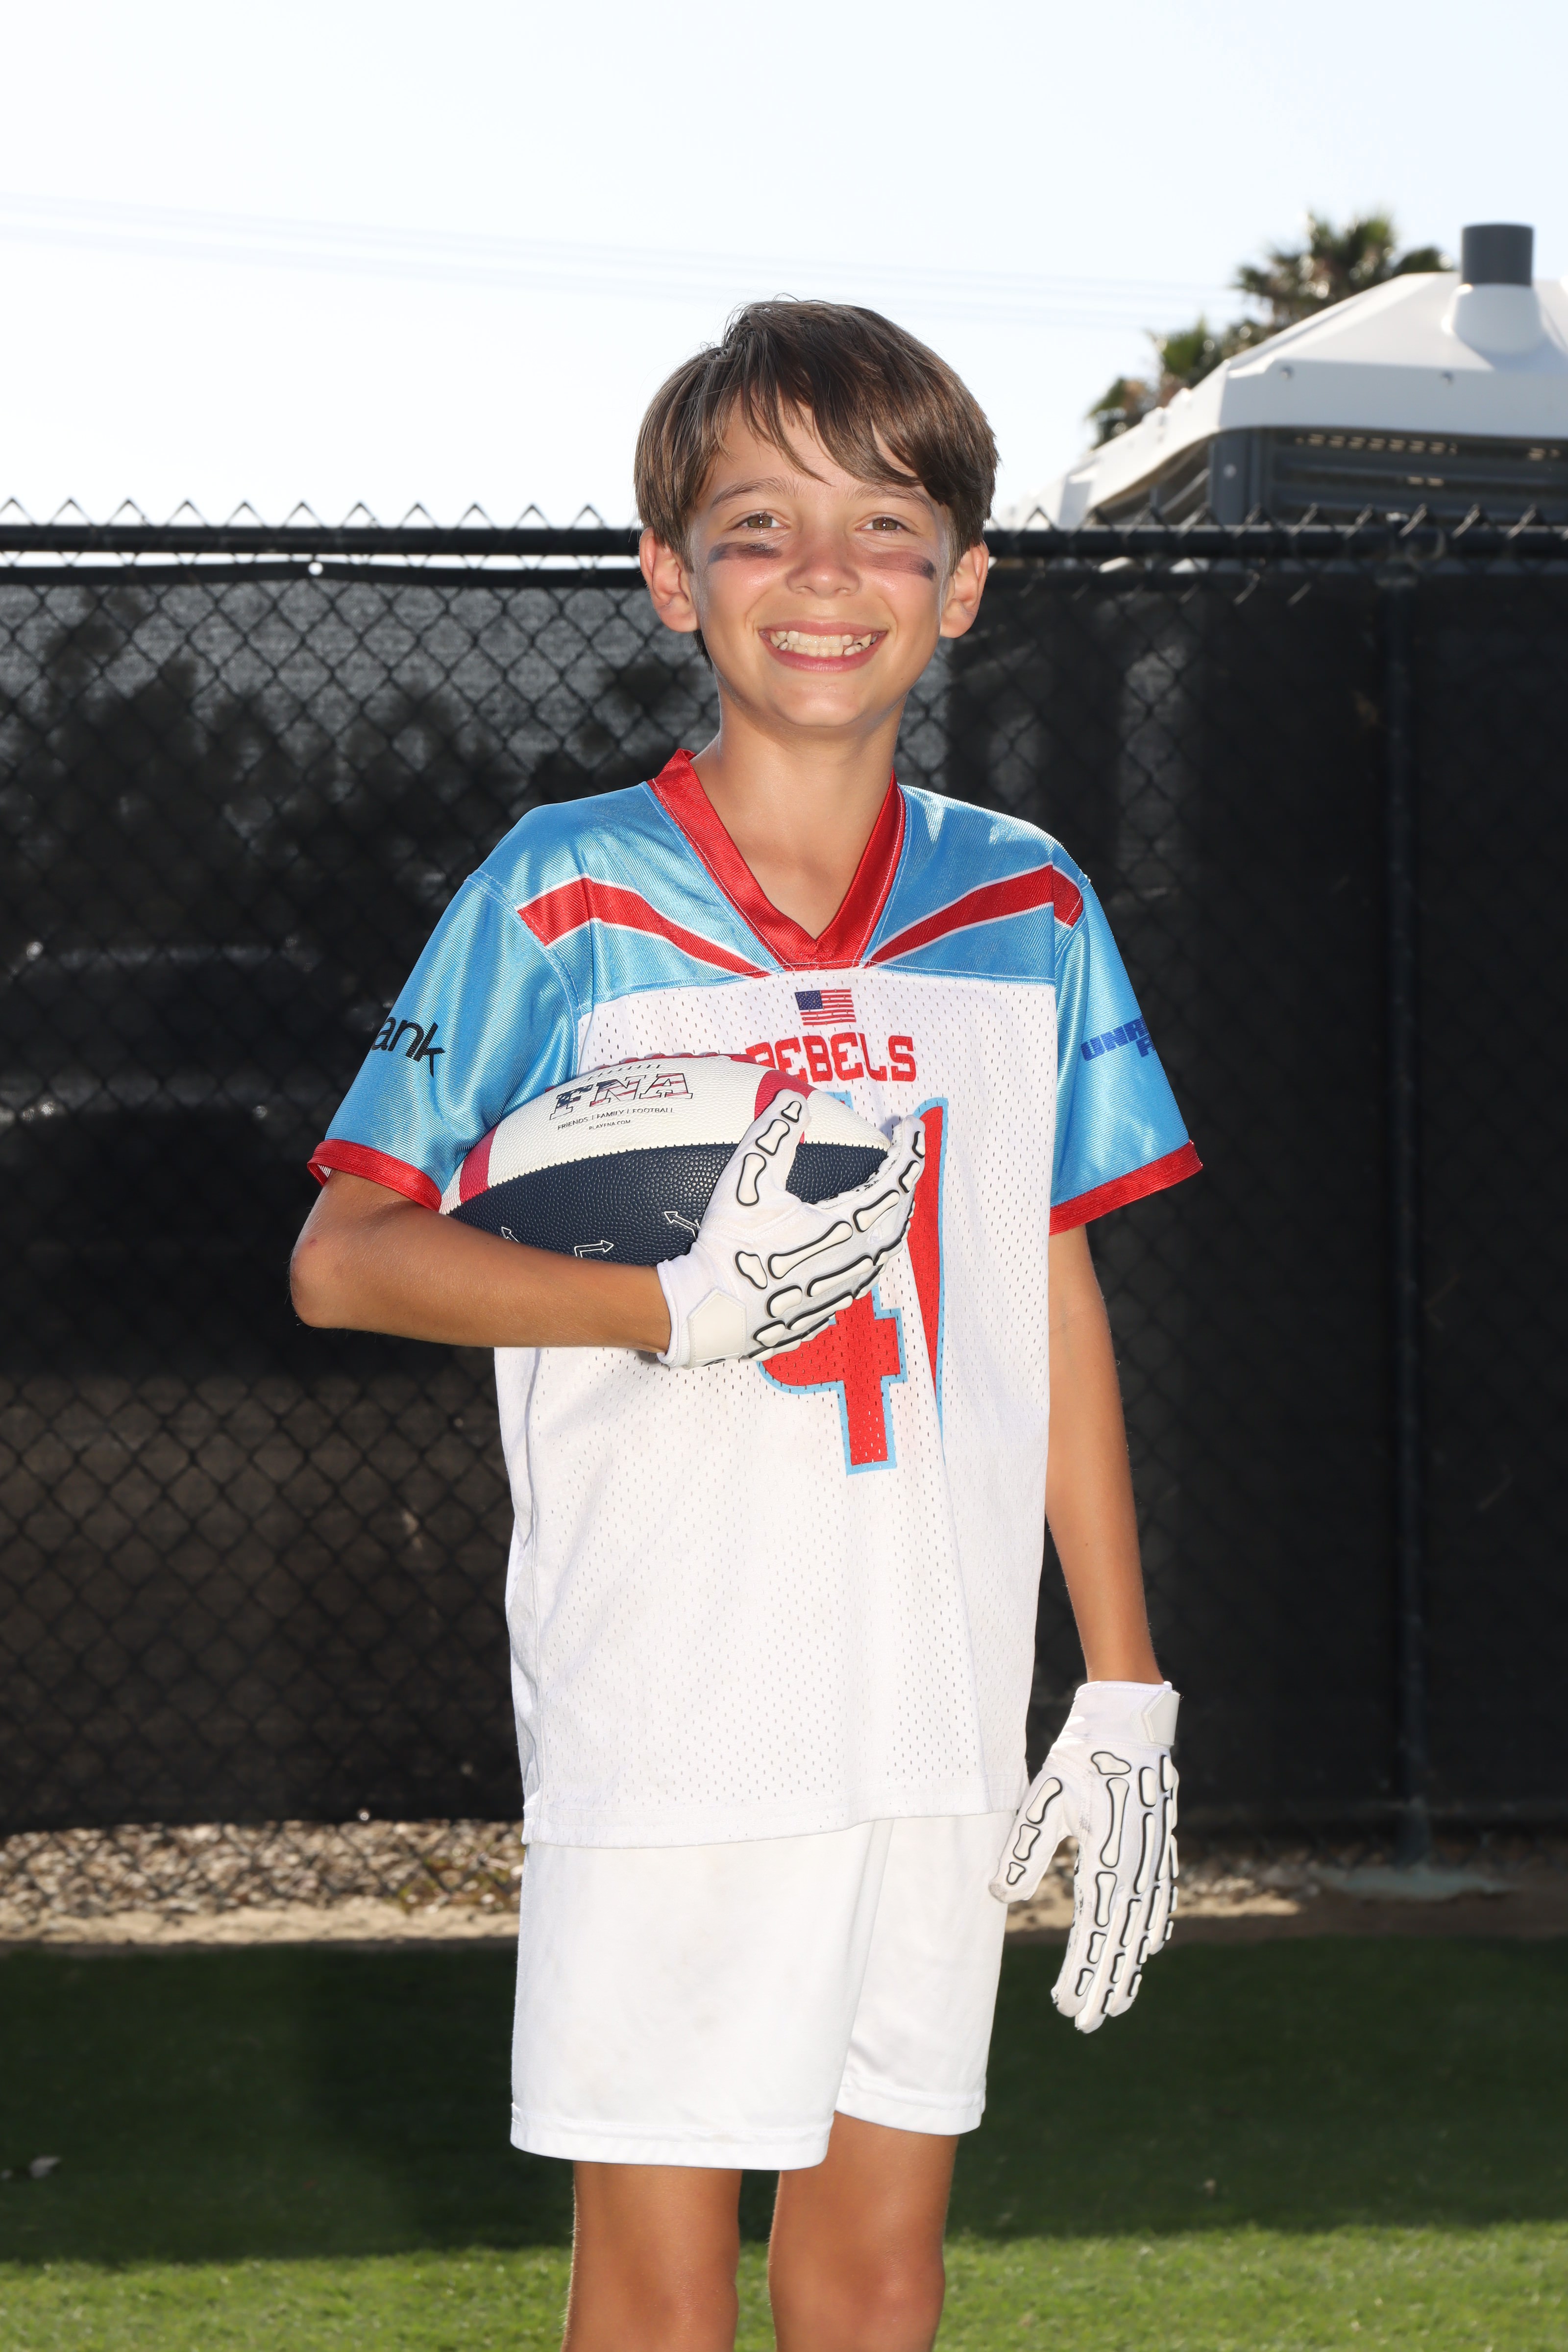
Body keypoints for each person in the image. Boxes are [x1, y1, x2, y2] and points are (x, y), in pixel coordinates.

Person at [290, 299, 1199, 2352]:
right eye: (759, 523)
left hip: (936, 1689)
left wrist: (1123, 1679)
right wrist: (669, 1302)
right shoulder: (566, 890)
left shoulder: (1029, 905)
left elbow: (1044, 1281)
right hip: (678, 1693)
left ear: (964, 584)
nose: (823, 573)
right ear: (668, 573)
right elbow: (345, 1255)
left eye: (884, 525)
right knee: (659, 2288)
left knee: (876, 2275)